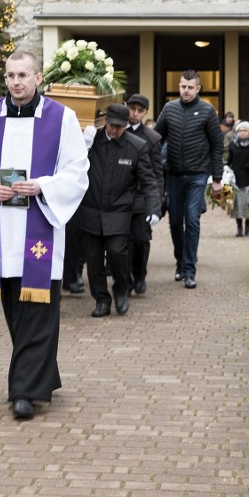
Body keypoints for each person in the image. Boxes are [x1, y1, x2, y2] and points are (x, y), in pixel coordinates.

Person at [0, 51, 89, 420]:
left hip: (41, 227)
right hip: (3, 227)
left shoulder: (61, 118)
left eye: (23, 75)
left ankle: (24, 392)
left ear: (38, 78)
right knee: (16, 310)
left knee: (39, 312)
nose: (17, 82)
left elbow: (78, 171)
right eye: (11, 75)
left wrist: (43, 186)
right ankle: (41, 375)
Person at [74, 103, 161, 317]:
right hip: (91, 209)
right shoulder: (90, 141)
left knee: (117, 252)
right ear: (105, 122)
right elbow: (70, 167)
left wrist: (154, 208)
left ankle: (122, 288)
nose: (115, 130)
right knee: (93, 260)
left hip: (119, 211)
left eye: (120, 127)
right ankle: (101, 299)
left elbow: (149, 181)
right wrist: (81, 148)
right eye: (112, 126)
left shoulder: (137, 146)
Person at [154, 70, 224, 290]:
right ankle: (180, 261)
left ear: (198, 88)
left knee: (192, 219)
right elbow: (156, 138)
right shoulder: (169, 108)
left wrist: (217, 178)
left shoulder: (207, 111)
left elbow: (217, 145)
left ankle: (190, 270)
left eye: (190, 87)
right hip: (173, 174)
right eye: (182, 86)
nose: (185, 91)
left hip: (197, 174)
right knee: (175, 222)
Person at [125, 93, 163, 296]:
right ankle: (127, 277)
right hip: (121, 194)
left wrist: (156, 204)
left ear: (146, 113)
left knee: (140, 239)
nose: (135, 114)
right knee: (124, 241)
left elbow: (157, 174)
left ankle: (140, 275)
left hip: (142, 195)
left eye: (140, 111)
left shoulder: (152, 138)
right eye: (132, 109)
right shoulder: (117, 130)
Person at [226, 121, 249, 237]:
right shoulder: (233, 144)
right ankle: (239, 227)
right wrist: (225, 169)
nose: (242, 133)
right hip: (236, 178)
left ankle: (248, 225)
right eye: (240, 130)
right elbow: (229, 160)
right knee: (237, 203)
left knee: (248, 202)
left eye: (245, 130)